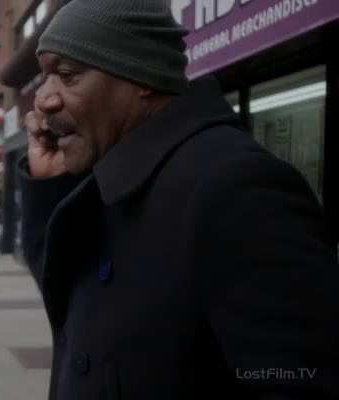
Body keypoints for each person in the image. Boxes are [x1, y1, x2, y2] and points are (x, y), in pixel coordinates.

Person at [20, 1, 339, 399]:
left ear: (141, 74)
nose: (43, 100)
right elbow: (75, 310)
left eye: (67, 75)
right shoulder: (113, 173)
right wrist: (52, 188)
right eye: (46, 77)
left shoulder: (236, 188)